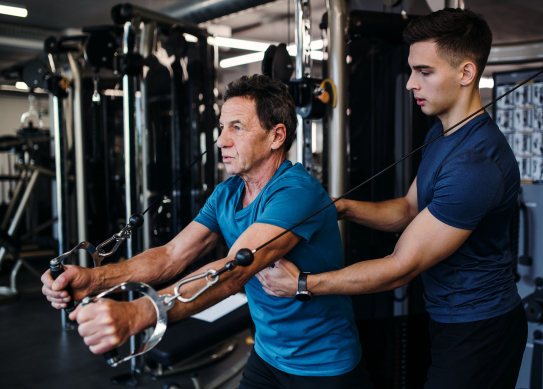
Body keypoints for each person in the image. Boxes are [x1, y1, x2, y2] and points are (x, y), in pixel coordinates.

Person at [41, 75, 372, 389]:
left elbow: (233, 274)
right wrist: (95, 279)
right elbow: (172, 255)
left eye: (236, 128)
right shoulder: (227, 193)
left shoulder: (296, 192)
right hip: (268, 356)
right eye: (221, 127)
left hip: (325, 365)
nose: (220, 140)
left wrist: (140, 312)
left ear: (276, 136)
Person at [257, 8, 527, 389]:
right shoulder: (440, 135)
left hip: (480, 328)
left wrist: (303, 283)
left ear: (466, 73)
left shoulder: (475, 163)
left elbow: (402, 266)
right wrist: (339, 208)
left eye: (424, 72)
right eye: (412, 70)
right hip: (447, 316)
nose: (410, 84)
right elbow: (408, 210)